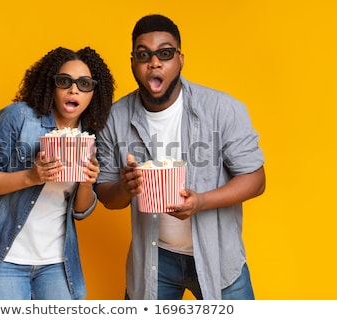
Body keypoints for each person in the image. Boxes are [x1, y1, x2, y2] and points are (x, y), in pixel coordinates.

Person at [95, 14, 265, 300]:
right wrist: (123, 189)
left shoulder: (222, 109)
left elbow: (256, 179)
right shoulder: (116, 117)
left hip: (218, 259)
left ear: (180, 59)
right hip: (154, 260)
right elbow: (105, 193)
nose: (154, 62)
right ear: (133, 63)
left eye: (165, 53)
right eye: (143, 54)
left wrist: (201, 202)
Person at [0, 47, 115, 300]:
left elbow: (81, 212)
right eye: (65, 81)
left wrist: (87, 184)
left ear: (94, 91)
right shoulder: (19, 117)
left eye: (84, 84)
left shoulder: (91, 135)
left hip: (57, 262)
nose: (74, 89)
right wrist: (31, 177)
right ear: (51, 85)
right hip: (5, 259)